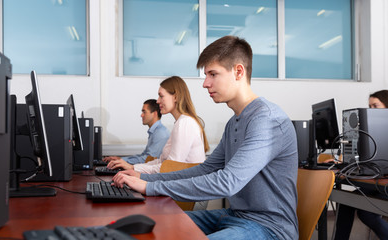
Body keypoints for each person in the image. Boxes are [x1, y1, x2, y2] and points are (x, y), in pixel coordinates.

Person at [112, 36, 298, 240]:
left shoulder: (267, 120)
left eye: (213, 74)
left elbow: (227, 182)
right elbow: (205, 169)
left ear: (238, 72)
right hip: (234, 215)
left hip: (270, 228)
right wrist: (144, 178)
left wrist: (150, 187)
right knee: (157, 222)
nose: (205, 83)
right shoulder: (234, 122)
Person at [109, 76, 209, 174]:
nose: (157, 101)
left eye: (161, 96)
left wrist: (135, 171)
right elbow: (161, 162)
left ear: (176, 97)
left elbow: (171, 168)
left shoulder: (185, 123)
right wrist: (132, 167)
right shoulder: (181, 122)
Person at [334, 90, 388, 240]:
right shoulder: (370, 130)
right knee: (346, 202)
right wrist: (344, 162)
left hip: (383, 182)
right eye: (369, 106)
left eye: (375, 105)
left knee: (366, 214)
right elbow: (363, 156)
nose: (371, 109)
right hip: (375, 179)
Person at [103, 99, 169, 166]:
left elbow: (148, 160)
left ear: (155, 113)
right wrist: (120, 159)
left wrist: (122, 161)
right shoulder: (155, 131)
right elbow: (143, 156)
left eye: (144, 112)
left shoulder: (160, 133)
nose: (141, 115)